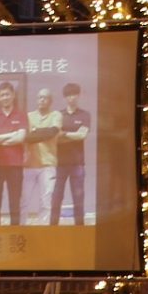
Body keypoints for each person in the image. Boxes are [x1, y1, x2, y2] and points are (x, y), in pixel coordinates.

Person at [50, 81, 91, 224]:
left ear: (78, 96)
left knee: (78, 199)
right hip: (60, 163)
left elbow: (82, 135)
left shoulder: (85, 115)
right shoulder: (58, 115)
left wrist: (64, 134)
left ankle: (80, 230)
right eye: (68, 95)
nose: (71, 98)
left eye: (74, 94)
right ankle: (52, 228)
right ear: (64, 98)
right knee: (56, 198)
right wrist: (71, 135)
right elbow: (55, 138)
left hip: (77, 164)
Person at [0, 82, 29, 225]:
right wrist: (11, 135)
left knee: (14, 202)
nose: (5, 97)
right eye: (2, 95)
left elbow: (21, 137)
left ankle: (14, 232)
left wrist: (1, 138)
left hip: (15, 165)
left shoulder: (21, 115)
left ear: (13, 95)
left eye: (7, 94)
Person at [25, 87, 62, 224]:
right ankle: (21, 228)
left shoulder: (56, 115)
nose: (41, 100)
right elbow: (27, 137)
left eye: (45, 97)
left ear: (50, 101)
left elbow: (52, 132)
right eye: (39, 97)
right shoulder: (29, 116)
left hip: (48, 165)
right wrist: (41, 133)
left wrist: (35, 131)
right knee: (24, 201)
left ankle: (43, 230)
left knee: (46, 201)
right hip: (29, 165)